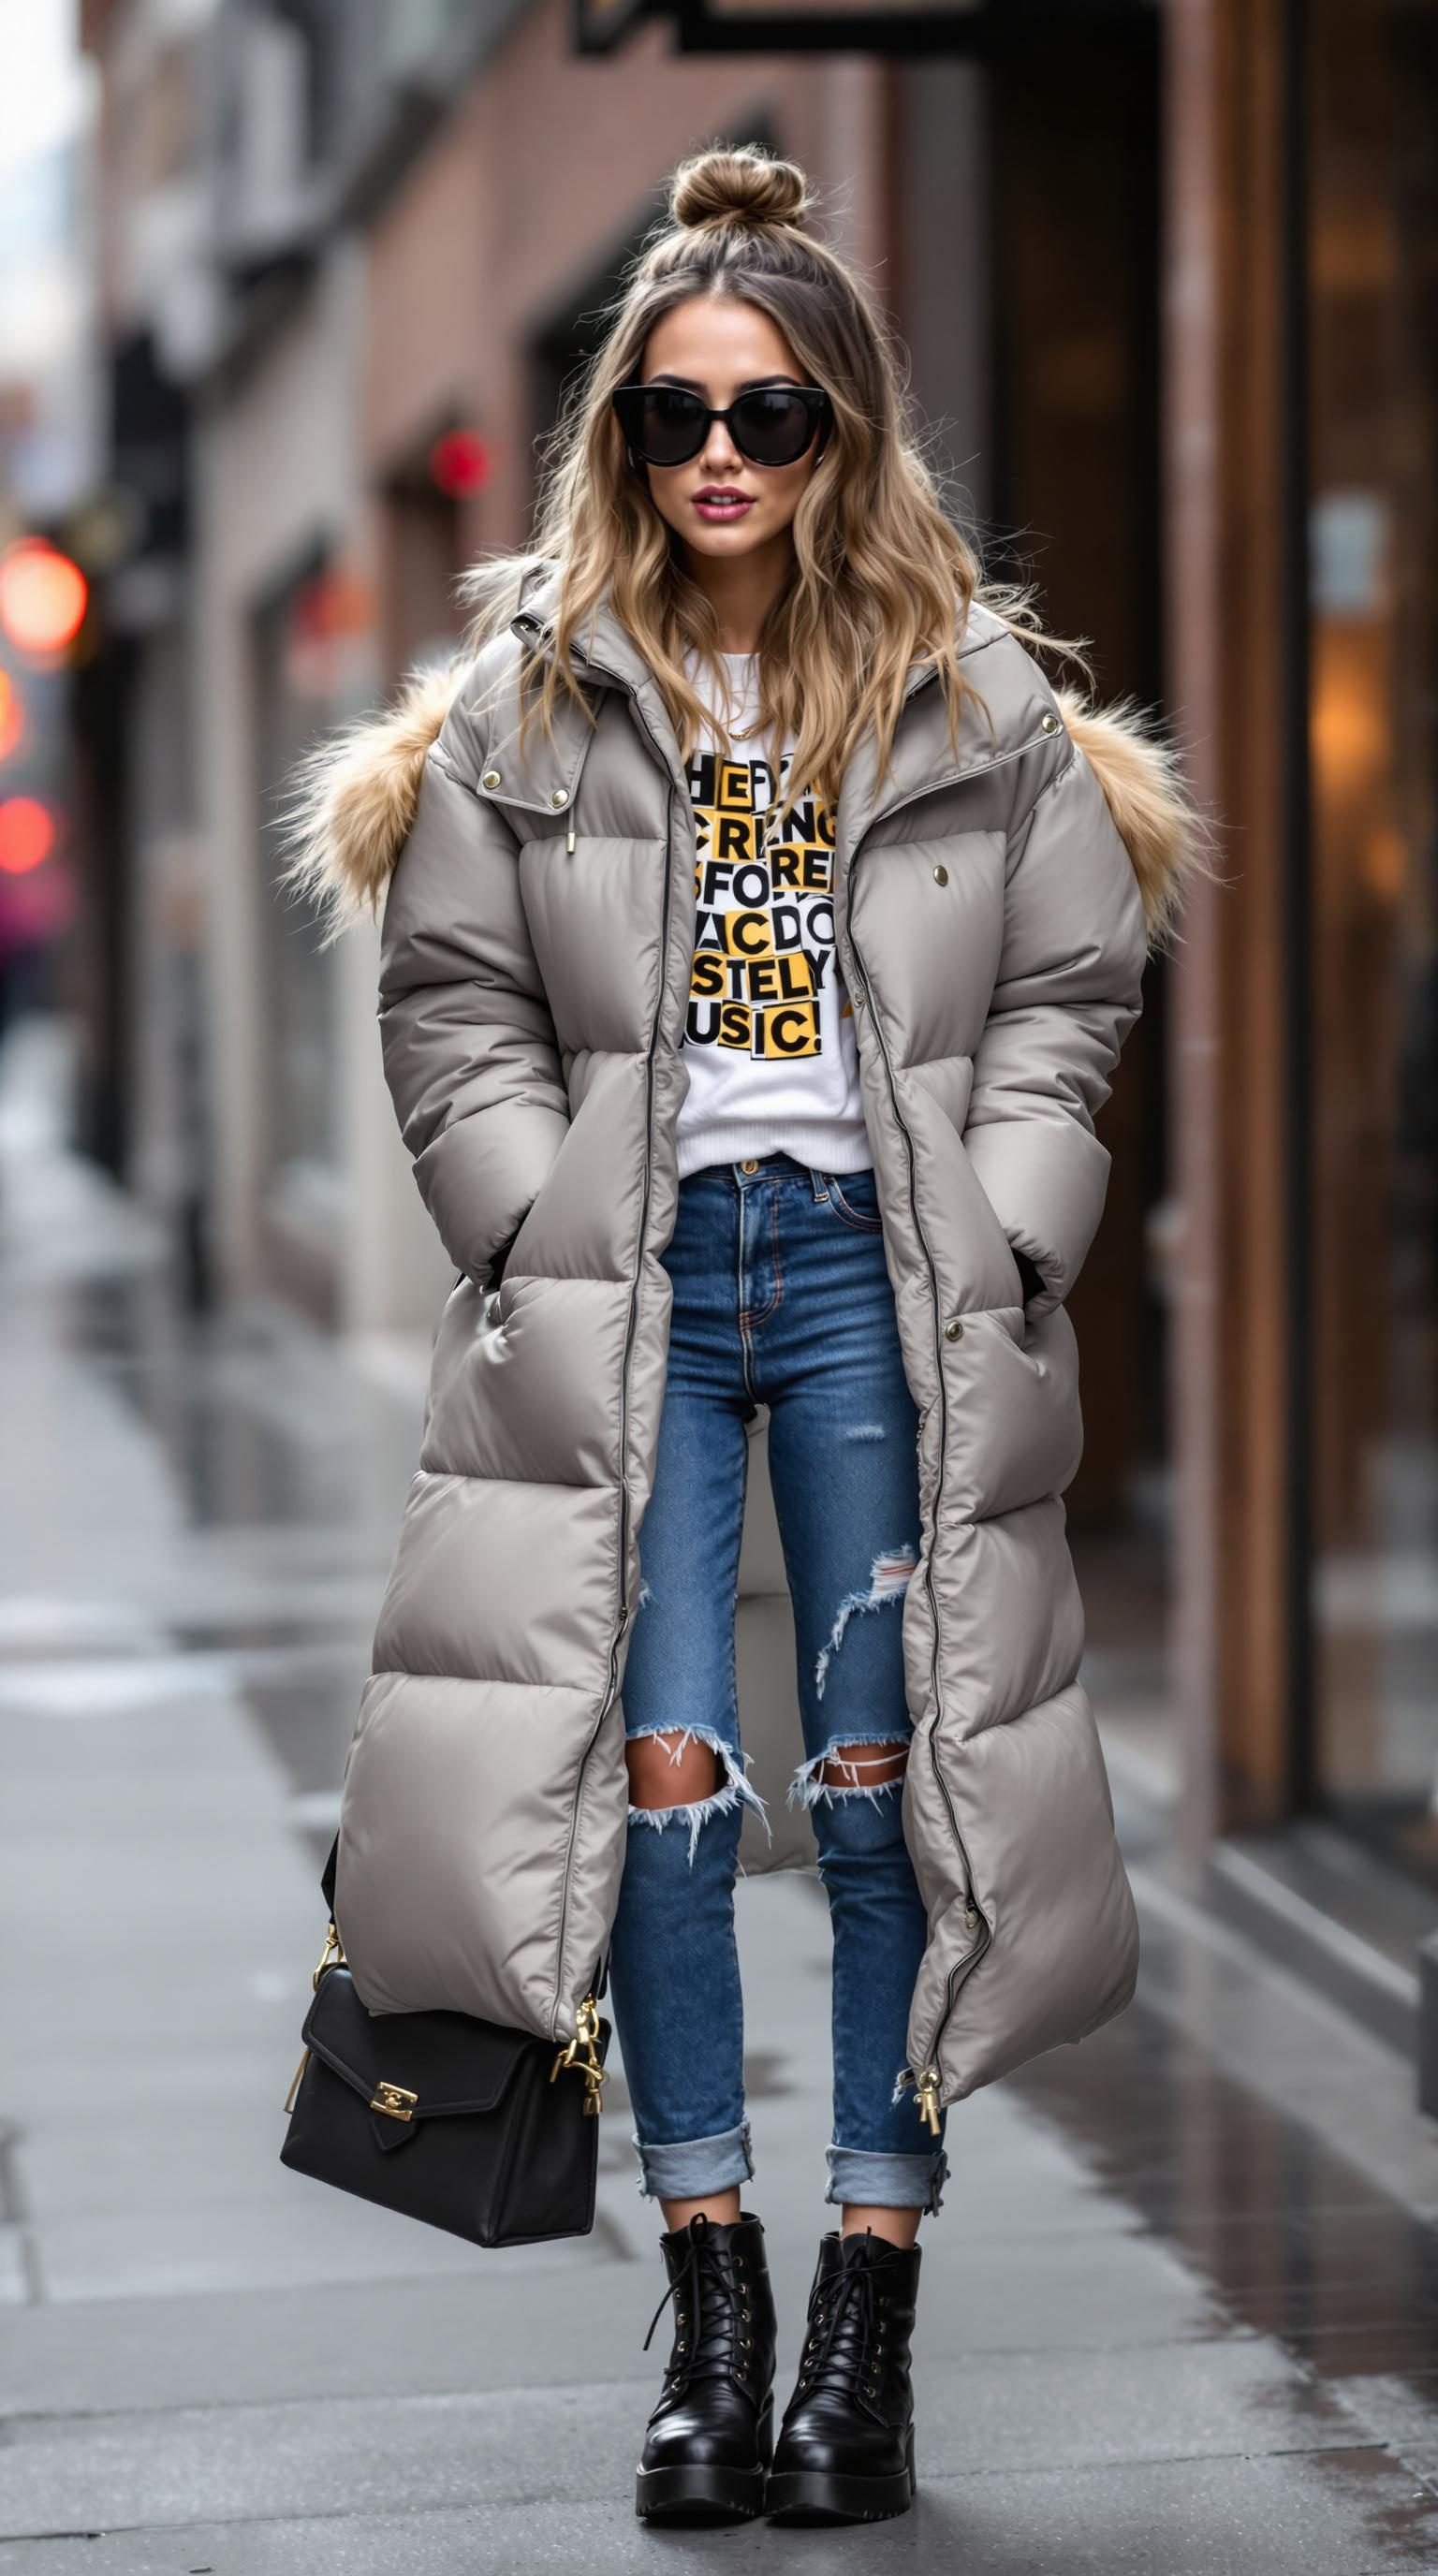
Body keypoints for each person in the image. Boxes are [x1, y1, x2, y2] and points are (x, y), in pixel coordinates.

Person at [289, 142, 1202, 2528]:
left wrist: (1006, 1232)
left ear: (845, 432)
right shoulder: (533, 698)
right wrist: (525, 1210)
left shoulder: (969, 689)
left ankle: (866, 2308)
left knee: (897, 1800)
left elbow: (1074, 984)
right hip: (648, 1300)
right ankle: (709, 2292)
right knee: (672, 1803)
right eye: (678, 415)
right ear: (619, 437)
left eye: (772, 415)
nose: (720, 455)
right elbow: (452, 998)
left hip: (881, 1294)